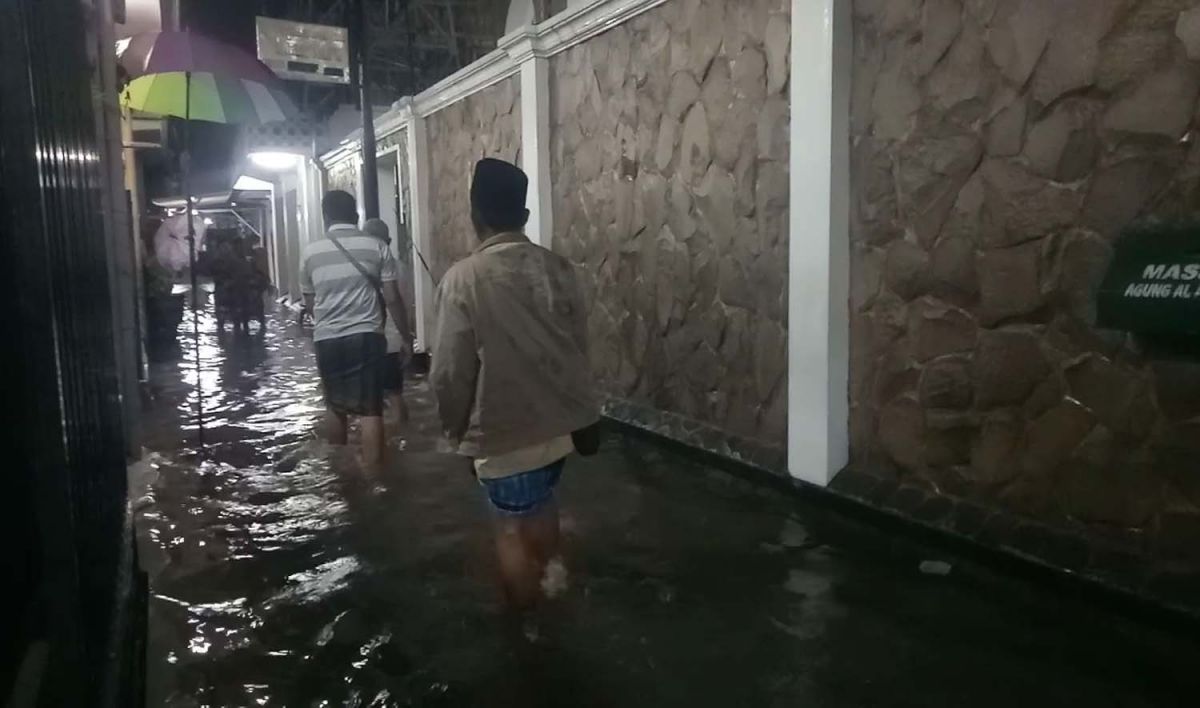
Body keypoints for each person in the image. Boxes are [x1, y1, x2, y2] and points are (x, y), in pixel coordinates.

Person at [432, 158, 597, 610]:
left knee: (509, 528)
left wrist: (454, 433)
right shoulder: (559, 269)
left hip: (505, 434)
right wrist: (586, 417)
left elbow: (449, 373)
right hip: (561, 427)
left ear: (474, 217)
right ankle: (550, 585)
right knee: (542, 506)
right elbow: (579, 348)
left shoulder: (462, 280)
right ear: (523, 217)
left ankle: (528, 628)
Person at [300, 191, 410, 468]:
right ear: (356, 215)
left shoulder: (310, 252)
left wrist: (330, 322)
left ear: (326, 217)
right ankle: (374, 480)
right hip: (366, 335)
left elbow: (311, 302)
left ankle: (339, 472)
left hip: (326, 338)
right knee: (371, 409)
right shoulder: (376, 247)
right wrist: (405, 336)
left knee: (335, 406)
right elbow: (393, 298)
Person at [364, 218, 411, 422]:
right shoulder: (400, 268)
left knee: (368, 402)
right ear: (389, 240)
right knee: (395, 395)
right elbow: (404, 303)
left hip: (366, 340)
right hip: (392, 341)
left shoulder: (360, 267)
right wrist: (406, 338)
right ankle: (402, 438)